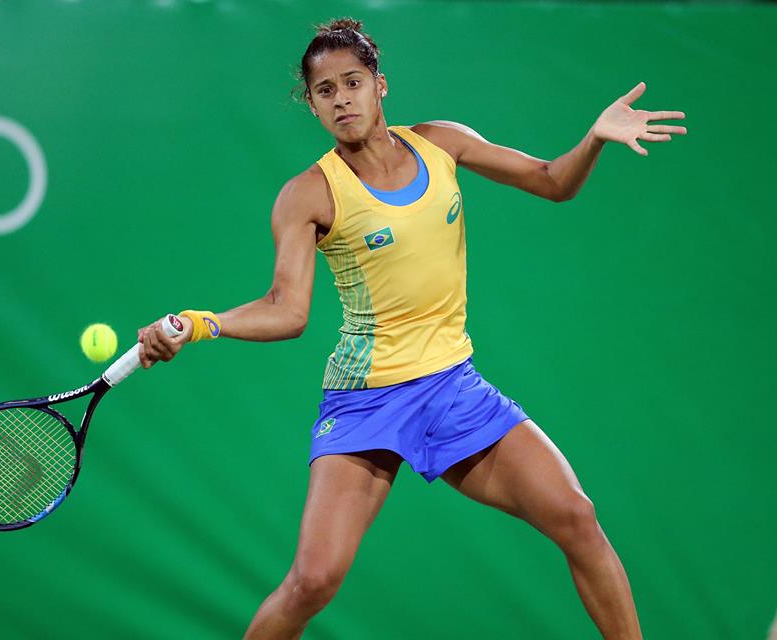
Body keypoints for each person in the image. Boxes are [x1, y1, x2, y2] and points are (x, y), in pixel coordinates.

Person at [137, 17, 686, 640]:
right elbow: (286, 310)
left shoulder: (442, 143)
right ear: (312, 104)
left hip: (453, 386)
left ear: (380, 85)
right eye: (324, 90)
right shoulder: (308, 194)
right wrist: (200, 324)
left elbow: (553, 181)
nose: (342, 99)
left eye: (353, 82)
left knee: (577, 517)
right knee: (313, 581)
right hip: (366, 400)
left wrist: (594, 138)